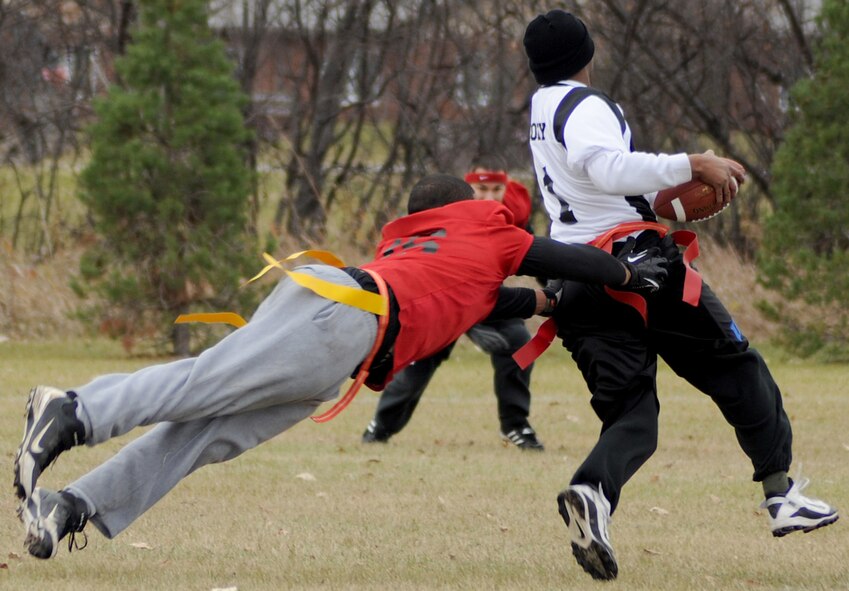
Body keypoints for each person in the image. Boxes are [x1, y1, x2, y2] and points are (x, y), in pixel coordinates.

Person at [13, 173, 669, 560]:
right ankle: (74, 409)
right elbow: (560, 256)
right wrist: (625, 272)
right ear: (470, 206)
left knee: (206, 434)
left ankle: (69, 506)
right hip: (345, 321)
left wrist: (542, 302)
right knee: (201, 387)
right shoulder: (490, 228)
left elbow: (491, 296)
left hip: (340, 317)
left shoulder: (434, 243)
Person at [522, 10, 838, 581]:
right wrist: (691, 163)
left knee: (633, 416)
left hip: (574, 276)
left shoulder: (541, 108)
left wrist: (660, 200)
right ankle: (781, 495)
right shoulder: (585, 104)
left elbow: (596, 184)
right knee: (738, 366)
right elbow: (610, 169)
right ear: (587, 53)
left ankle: (592, 491)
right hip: (637, 268)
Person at [362, 162, 544, 450]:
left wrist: (557, 288)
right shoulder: (445, 216)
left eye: (496, 189)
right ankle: (380, 428)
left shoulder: (513, 217)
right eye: (481, 189)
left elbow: (535, 255)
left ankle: (516, 426)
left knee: (520, 344)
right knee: (419, 361)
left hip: (487, 300)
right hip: (441, 301)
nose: (489, 197)